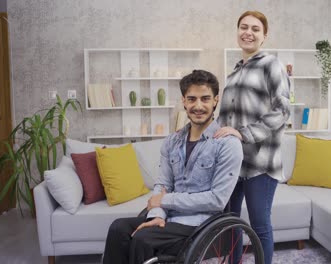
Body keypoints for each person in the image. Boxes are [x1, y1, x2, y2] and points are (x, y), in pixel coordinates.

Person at [102, 69, 243, 264]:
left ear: (215, 100)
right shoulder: (172, 141)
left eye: (205, 99)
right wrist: (158, 215)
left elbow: (217, 200)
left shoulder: (228, 144)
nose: (198, 106)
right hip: (169, 219)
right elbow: (163, 184)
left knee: (144, 240)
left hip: (201, 225)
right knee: (118, 228)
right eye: (192, 99)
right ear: (184, 101)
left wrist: (165, 201)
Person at [214, 10, 290, 264]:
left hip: (261, 164)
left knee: (259, 226)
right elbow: (224, 120)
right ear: (237, 31)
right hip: (232, 164)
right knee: (229, 224)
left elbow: (282, 111)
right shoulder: (234, 73)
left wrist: (243, 134)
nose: (248, 32)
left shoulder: (272, 65)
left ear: (264, 36)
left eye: (255, 29)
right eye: (243, 27)